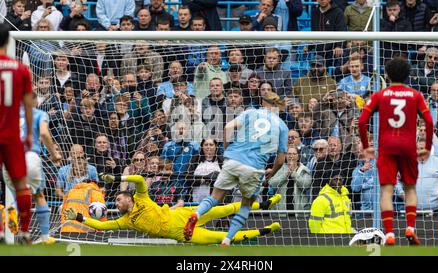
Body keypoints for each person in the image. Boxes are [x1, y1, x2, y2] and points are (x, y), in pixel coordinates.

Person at [183, 91, 288, 246]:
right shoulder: (282, 125)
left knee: (214, 197)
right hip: (254, 167)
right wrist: (272, 171)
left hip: (233, 160)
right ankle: (227, 239)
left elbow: (227, 127)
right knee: (246, 205)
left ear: (263, 103)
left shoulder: (250, 112)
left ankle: (196, 214)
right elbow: (280, 159)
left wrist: (227, 150)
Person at [64, 174, 282, 244]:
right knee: (223, 237)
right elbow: (101, 227)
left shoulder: (141, 196)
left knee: (224, 208)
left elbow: (140, 179)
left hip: (184, 215)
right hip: (182, 233)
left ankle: (263, 204)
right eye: (116, 202)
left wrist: (120, 178)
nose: (116, 204)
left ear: (128, 199)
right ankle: (266, 230)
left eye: (119, 200)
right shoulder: (125, 221)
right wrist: (81, 218)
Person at [358, 57, 434, 246]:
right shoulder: (415, 95)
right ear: (408, 75)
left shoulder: (380, 95)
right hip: (408, 147)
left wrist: (366, 145)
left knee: (386, 190)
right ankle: (410, 228)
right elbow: (430, 122)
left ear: (388, 75)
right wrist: (427, 147)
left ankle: (390, 233)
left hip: (387, 147)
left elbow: (361, 121)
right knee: (410, 188)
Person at [3, 92, 62, 244]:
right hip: (29, 157)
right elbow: (43, 133)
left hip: (9, 158)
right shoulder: (39, 113)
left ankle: (11, 218)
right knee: (38, 195)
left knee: (18, 194)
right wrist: (54, 153)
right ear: (34, 102)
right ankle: (44, 237)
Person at [0, 24, 34, 244]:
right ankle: (24, 231)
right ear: (7, 41)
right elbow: (28, 105)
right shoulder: (21, 69)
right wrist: (29, 132)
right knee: (21, 184)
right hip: (12, 135)